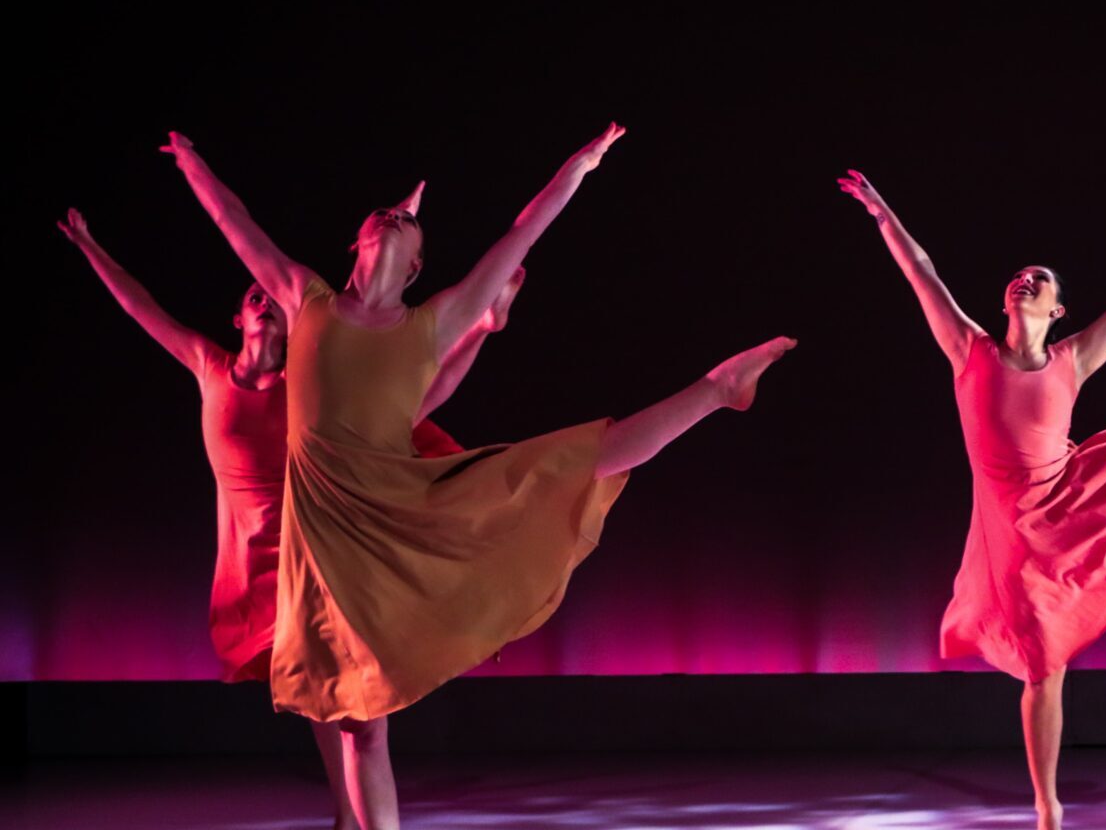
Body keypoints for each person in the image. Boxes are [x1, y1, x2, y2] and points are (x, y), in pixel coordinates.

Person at [165, 124, 795, 830]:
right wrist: (192, 162)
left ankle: (717, 388)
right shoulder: (303, 300)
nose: (396, 217)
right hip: (330, 541)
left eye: (409, 221)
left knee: (575, 460)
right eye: (387, 214)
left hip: (405, 507)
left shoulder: (432, 321)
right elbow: (233, 221)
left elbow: (524, 232)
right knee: (358, 725)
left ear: (415, 269)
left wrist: (579, 168)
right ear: (358, 246)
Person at [839, 168, 1106, 830]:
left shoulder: (1071, 359)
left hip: (1073, 498)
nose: (1027, 282)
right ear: (1005, 301)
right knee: (1043, 665)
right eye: (1020, 277)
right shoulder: (970, 351)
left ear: (1056, 311)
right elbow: (923, 272)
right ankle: (1048, 804)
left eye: (1040, 282)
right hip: (1012, 532)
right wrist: (881, 212)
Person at [59, 199, 519, 830]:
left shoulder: (307, 382)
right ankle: (346, 815)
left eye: (271, 297)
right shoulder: (208, 367)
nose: (262, 296)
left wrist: (470, 327)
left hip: (323, 551)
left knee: (350, 707)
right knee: (317, 699)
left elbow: (414, 390)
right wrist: (91, 248)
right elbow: (142, 307)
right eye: (252, 295)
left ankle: (360, 820)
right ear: (235, 317)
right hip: (253, 563)